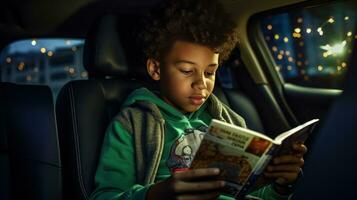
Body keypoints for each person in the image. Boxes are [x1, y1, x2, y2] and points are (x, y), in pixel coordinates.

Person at [90, 0, 306, 199]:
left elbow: (248, 194)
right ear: (155, 69)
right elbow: (104, 196)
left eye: (210, 72)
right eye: (186, 70)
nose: (201, 84)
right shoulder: (132, 123)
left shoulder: (230, 120)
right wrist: (157, 194)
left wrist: (281, 185)